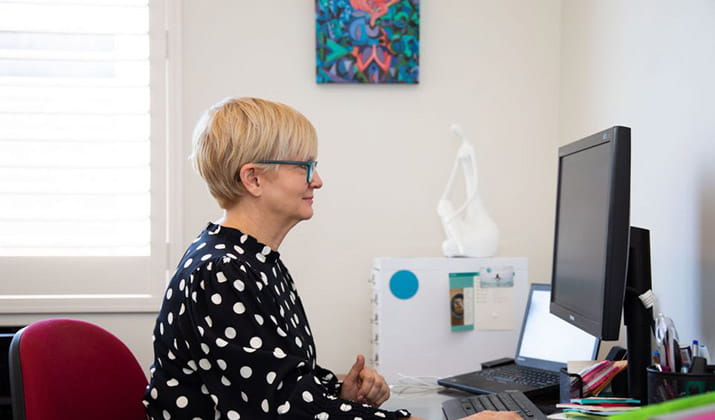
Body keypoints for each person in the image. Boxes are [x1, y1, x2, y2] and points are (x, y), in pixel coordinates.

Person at [143, 97, 520, 420]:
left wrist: (338, 387)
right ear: (254, 179)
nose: (317, 180)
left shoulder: (251, 259)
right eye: (304, 166)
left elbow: (274, 379)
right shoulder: (222, 272)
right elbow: (283, 411)